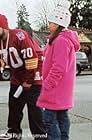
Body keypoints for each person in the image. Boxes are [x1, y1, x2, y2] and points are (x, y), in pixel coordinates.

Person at [0, 14, 47, 140]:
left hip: (34, 70)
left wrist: (28, 81)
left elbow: (31, 58)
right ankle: (13, 133)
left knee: (34, 109)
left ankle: (41, 136)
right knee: (14, 104)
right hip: (18, 74)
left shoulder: (19, 35)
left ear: (4, 27)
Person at [36, 1, 80, 140]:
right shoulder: (63, 39)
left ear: (58, 24)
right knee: (62, 117)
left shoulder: (60, 40)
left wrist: (47, 84)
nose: (49, 25)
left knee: (49, 120)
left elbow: (59, 67)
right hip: (62, 89)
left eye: (51, 22)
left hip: (55, 89)